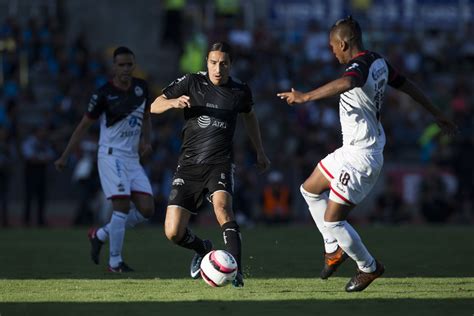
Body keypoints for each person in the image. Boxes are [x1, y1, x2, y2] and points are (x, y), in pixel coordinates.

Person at [277, 16, 457, 292]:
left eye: (332, 47)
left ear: (343, 43)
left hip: (362, 157)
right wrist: (437, 114)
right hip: (351, 149)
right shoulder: (378, 61)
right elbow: (407, 85)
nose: (332, 52)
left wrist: (306, 97)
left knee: (334, 220)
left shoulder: (358, 66)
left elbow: (348, 83)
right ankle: (333, 249)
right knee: (309, 190)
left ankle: (369, 267)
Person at [150, 41, 270, 287]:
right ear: (207, 61)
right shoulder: (192, 82)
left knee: (223, 209)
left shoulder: (240, 91)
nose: (218, 69)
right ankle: (203, 248)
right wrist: (172, 103)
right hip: (189, 165)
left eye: (223, 64)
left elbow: (250, 116)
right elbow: (154, 105)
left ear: (231, 65)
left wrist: (260, 150)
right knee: (173, 232)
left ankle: (236, 271)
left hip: (220, 163)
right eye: (213, 63)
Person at [55, 46, 154, 272]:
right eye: (121, 65)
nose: (126, 69)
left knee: (147, 210)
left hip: (131, 159)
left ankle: (100, 234)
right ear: (114, 67)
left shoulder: (141, 88)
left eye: (130, 64)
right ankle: (115, 262)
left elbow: (147, 116)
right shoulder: (103, 94)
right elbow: (82, 127)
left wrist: (146, 141)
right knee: (121, 207)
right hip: (110, 156)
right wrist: (65, 156)